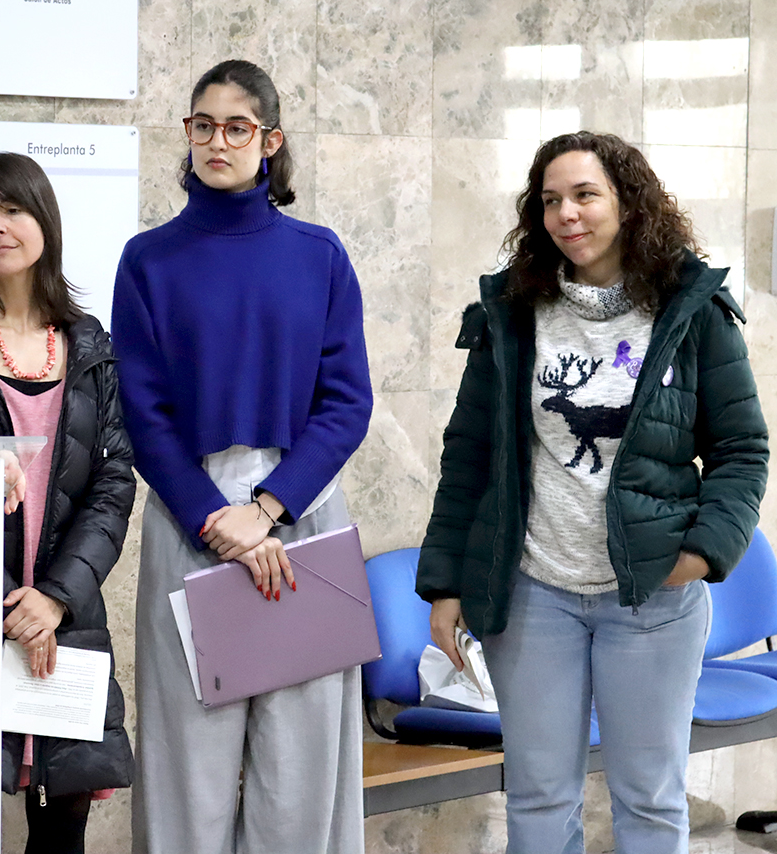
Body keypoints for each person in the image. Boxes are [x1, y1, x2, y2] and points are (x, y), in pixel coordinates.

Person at [417, 131, 769, 854]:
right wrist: (446, 584)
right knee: (541, 801)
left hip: (651, 599)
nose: (566, 215)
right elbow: (469, 458)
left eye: (585, 195)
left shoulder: (693, 312)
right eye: (550, 200)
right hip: (531, 594)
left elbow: (741, 450)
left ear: (629, 203)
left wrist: (700, 554)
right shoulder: (510, 313)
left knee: (648, 802)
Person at [111, 60, 374, 854]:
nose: (217, 141)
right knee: (188, 760)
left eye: (236, 127)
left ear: (271, 141)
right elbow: (143, 412)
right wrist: (215, 518)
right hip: (193, 520)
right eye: (202, 125)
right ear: (186, 135)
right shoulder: (147, 260)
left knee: (300, 767)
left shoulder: (319, 254)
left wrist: (266, 511)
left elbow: (347, 401)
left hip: (302, 510)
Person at [0, 152, 135, 854]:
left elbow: (113, 481)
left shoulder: (90, 343)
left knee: (63, 825)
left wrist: (56, 600)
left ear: (44, 220)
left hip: (68, 618)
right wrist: (11, 604)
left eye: (11, 209)